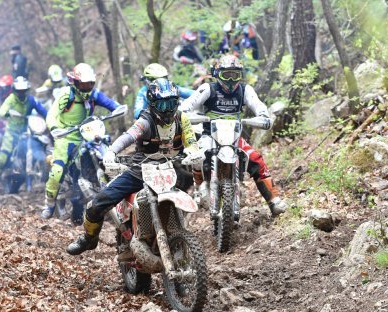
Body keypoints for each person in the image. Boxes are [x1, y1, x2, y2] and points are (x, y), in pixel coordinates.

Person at [66, 78, 204, 255]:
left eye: (172, 103)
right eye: (162, 105)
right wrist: (111, 152)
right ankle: (88, 238)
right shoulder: (145, 121)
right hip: (140, 170)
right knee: (97, 204)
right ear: (153, 104)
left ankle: (174, 236)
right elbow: (129, 136)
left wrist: (193, 152)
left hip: (169, 169)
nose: (168, 109)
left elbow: (191, 141)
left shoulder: (182, 118)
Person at [180, 54, 286, 216]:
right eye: (226, 74)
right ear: (217, 74)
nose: (230, 79)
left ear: (240, 75)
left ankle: (273, 201)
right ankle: (198, 185)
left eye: (234, 74)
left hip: (234, 137)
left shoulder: (245, 90)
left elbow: (257, 105)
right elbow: (188, 104)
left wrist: (264, 116)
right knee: (197, 156)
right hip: (210, 135)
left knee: (256, 158)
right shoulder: (208, 89)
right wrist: (184, 114)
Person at [41, 63, 121, 220]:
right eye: (83, 84)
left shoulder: (94, 94)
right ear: (76, 83)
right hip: (67, 136)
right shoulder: (66, 95)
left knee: (109, 154)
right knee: (58, 170)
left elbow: (111, 104)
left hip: (89, 134)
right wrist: (55, 127)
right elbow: (52, 114)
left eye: (90, 83)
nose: (87, 87)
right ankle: (49, 204)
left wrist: (118, 108)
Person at [0, 76, 47, 193]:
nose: (21, 93)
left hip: (26, 132)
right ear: (15, 90)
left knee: (41, 145)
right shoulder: (11, 99)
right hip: (11, 133)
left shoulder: (31, 100)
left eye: (23, 91)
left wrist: (49, 118)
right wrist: (8, 112)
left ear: (27, 90)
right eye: (19, 91)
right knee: (3, 157)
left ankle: (41, 178)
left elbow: (43, 110)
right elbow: (2, 111)